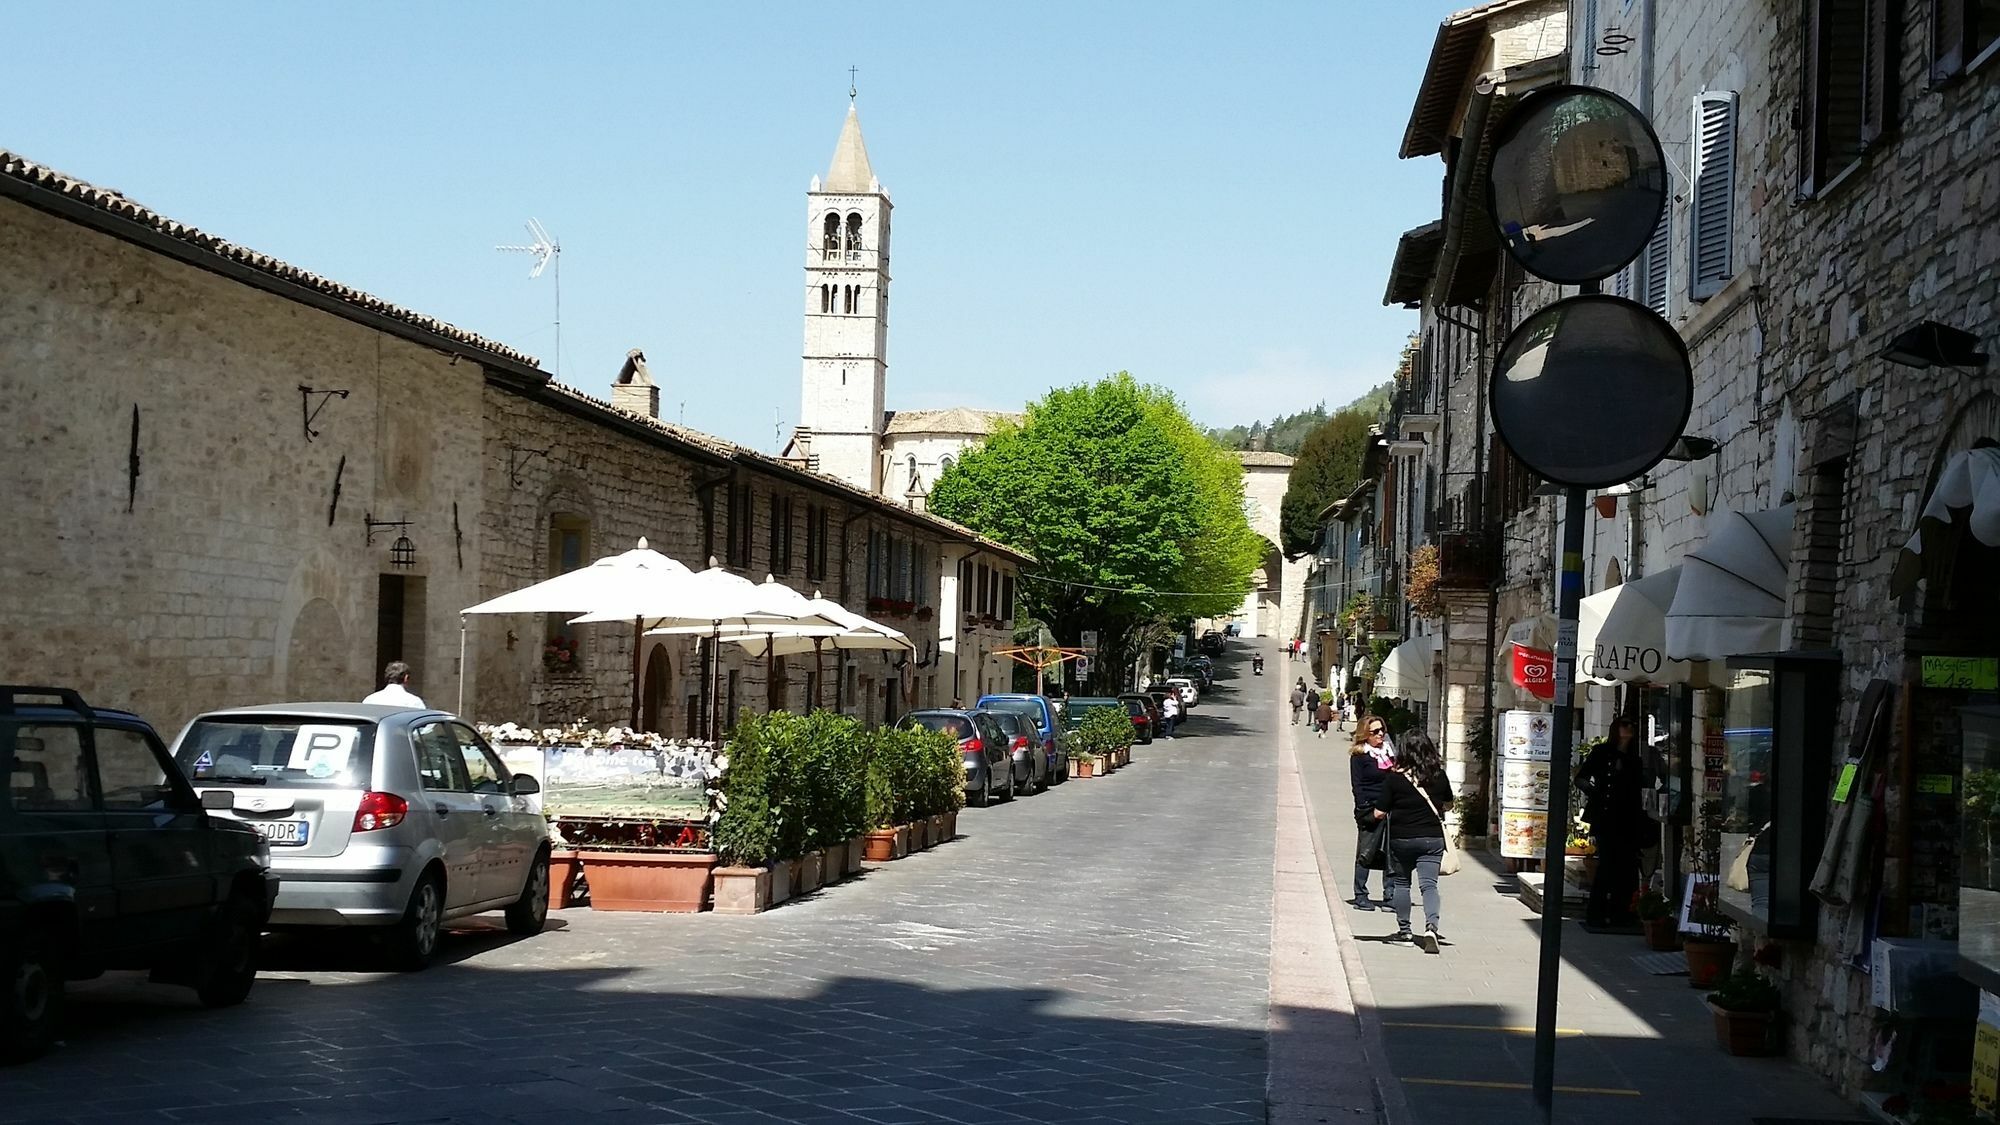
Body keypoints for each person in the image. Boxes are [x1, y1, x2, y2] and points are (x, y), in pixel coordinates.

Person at [1373, 730, 1453, 952]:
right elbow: (1449, 804)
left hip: (1402, 838)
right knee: (1429, 885)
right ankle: (1431, 928)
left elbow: (1380, 812)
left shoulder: (1394, 778)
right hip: (1432, 838)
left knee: (1402, 884)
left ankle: (1405, 931)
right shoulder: (1438, 775)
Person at [1576, 717, 1652, 928]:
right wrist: (1596, 793)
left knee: (1627, 867)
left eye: (1632, 726)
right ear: (1616, 729)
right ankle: (1597, 913)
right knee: (1607, 865)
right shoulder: (1602, 752)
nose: (1629, 729)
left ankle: (1622, 913)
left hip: (1628, 818)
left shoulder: (1635, 758)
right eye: (1624, 725)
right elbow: (1581, 778)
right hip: (1605, 817)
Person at [1349, 714, 1394, 910]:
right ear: (1365, 734)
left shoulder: (1389, 752)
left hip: (1392, 808)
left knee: (1392, 853)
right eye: (1375, 731)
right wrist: (1366, 809)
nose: (1380, 734)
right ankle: (1361, 894)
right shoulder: (1360, 756)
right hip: (1371, 808)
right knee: (1366, 852)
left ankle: (1390, 895)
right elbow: (1357, 786)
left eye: (1382, 730)